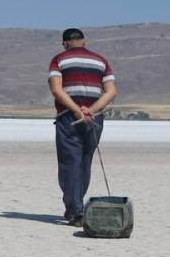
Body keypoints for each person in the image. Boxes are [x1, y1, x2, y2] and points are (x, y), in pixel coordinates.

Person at [48, 28, 118, 226]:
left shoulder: (59, 60)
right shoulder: (101, 61)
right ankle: (76, 207)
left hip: (68, 117)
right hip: (94, 119)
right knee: (84, 162)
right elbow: (111, 91)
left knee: (70, 162)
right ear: (84, 41)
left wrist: (78, 111)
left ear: (65, 43)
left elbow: (56, 89)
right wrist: (92, 110)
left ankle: (75, 210)